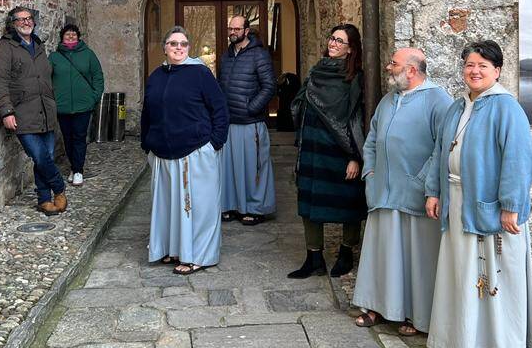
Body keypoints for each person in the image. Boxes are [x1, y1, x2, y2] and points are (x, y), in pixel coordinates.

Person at [425, 40, 532, 348]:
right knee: (462, 276)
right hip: (457, 201)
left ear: (497, 71)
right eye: (469, 65)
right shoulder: (457, 107)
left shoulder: (506, 108)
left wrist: (510, 206)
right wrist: (434, 191)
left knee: (493, 278)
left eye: (483, 66)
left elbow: (519, 161)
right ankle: (461, 344)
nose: (474, 71)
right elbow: (440, 152)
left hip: (489, 207)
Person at [353, 48, 452, 334]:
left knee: (415, 258)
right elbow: (372, 139)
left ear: (411, 70)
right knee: (382, 253)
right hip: (383, 190)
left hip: (415, 194)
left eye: (393, 64)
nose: (388, 67)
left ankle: (415, 314)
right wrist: (370, 171)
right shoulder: (388, 100)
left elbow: (442, 148)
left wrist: (424, 182)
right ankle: (377, 305)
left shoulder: (438, 100)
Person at [141, 25, 229, 275]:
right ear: (165, 48)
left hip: (196, 150)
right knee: (170, 208)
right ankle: (174, 249)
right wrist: (146, 142)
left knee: (198, 207)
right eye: (173, 43)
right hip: (162, 153)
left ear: (188, 48)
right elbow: (148, 110)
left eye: (183, 44)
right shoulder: (157, 75)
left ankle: (199, 255)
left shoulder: (200, 74)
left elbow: (220, 109)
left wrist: (215, 143)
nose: (178, 48)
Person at [288, 23, 366, 278]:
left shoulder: (354, 79)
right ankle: (314, 258)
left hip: (340, 152)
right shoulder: (317, 71)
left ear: (351, 49)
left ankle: (346, 253)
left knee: (348, 204)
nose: (333, 44)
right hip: (312, 149)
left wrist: (355, 156)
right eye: (332, 39)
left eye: (340, 41)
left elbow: (357, 120)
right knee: (309, 202)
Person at [0, 7, 67, 215]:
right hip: (22, 112)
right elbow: (0, 81)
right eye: (21, 19)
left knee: (47, 156)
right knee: (40, 155)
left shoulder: (39, 45)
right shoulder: (6, 46)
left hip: (46, 111)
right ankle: (59, 188)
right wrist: (6, 111)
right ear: (13, 23)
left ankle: (44, 199)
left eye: (29, 19)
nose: (26, 22)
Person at [217, 15, 276, 225]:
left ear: (246, 31)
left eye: (236, 29)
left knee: (254, 168)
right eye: (230, 28)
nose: (232, 32)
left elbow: (270, 86)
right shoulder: (226, 57)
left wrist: (251, 108)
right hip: (229, 121)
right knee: (230, 167)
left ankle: (255, 208)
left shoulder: (259, 55)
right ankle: (232, 206)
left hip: (251, 123)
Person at [50, 23, 104, 186]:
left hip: (83, 105)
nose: (71, 37)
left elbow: (98, 77)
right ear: (62, 38)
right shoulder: (54, 57)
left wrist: (93, 97)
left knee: (79, 137)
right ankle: (74, 167)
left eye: (74, 35)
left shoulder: (88, 55)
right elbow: (46, 79)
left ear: (78, 37)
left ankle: (78, 170)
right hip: (63, 105)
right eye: (67, 35)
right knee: (68, 138)